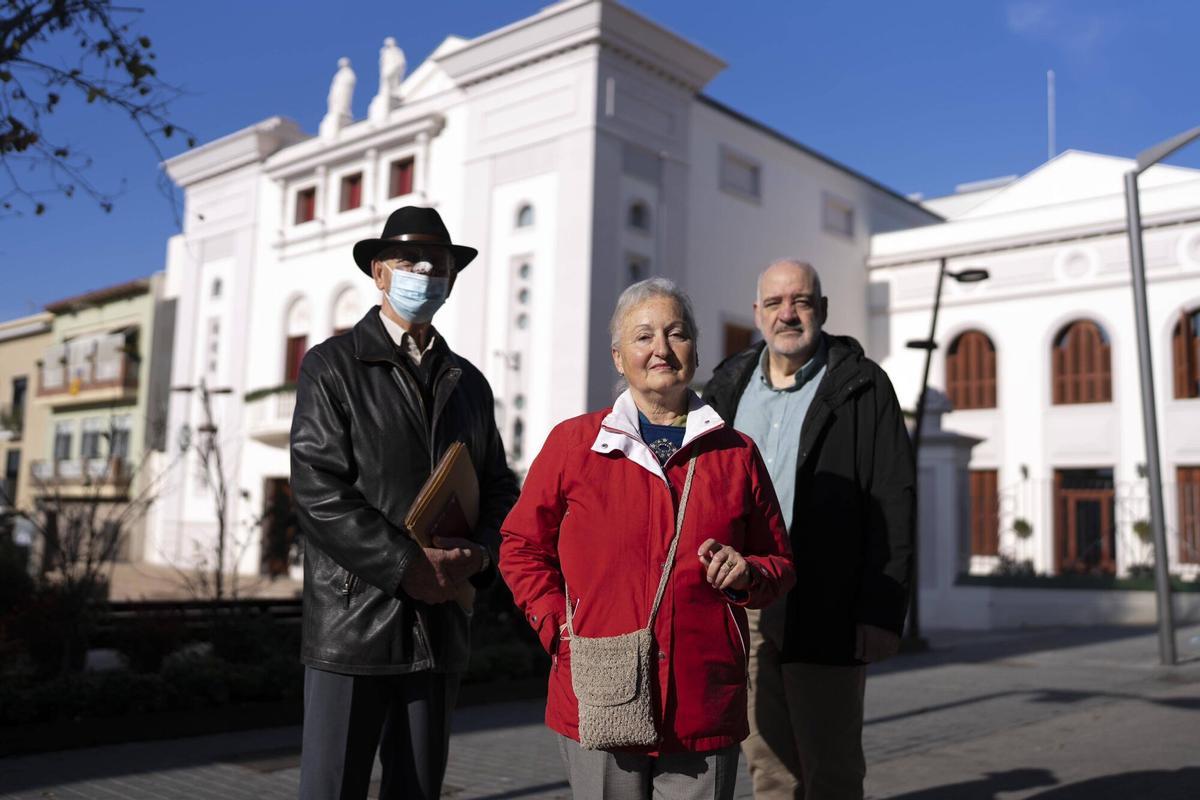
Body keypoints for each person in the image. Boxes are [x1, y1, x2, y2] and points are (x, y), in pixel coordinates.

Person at [501, 278, 796, 800]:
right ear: (619, 357)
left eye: (676, 333)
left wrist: (749, 573)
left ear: (696, 351)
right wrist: (559, 629)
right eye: (643, 337)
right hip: (598, 689)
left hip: (702, 698)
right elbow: (521, 546)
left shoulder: (735, 453)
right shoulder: (575, 443)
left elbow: (780, 562)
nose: (661, 348)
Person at [290, 206, 519, 800]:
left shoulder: (469, 382)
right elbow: (317, 488)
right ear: (379, 272)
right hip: (352, 622)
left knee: (417, 788)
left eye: (438, 264)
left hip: (440, 620)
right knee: (331, 787)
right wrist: (406, 566)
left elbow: (498, 487)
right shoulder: (331, 365)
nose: (425, 272)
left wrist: (480, 555)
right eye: (409, 261)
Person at [703, 260, 914, 800]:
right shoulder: (727, 386)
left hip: (825, 598)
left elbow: (894, 498)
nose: (787, 314)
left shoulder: (862, 386)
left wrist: (882, 610)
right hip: (743, 599)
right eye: (774, 303)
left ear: (822, 310)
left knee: (832, 765)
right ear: (757, 314)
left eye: (800, 301)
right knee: (765, 762)